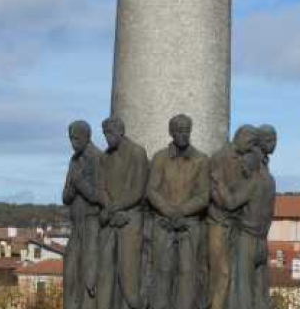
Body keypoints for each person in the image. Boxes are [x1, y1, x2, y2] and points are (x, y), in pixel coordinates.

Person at [146, 114, 210, 309]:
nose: (183, 135)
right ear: (171, 132)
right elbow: (151, 190)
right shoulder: (160, 158)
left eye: (186, 131)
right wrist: (168, 211)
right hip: (164, 223)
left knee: (187, 273)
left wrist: (182, 211)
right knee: (162, 271)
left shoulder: (201, 160)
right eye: (179, 131)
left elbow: (204, 195)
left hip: (189, 225)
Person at [98, 117, 150, 309]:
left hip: (131, 217)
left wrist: (115, 208)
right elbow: (100, 188)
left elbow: (138, 190)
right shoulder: (105, 157)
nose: (107, 137)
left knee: (128, 272)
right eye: (105, 134)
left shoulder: (137, 153)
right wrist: (110, 208)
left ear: (121, 131)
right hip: (110, 217)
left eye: (110, 133)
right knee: (104, 270)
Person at [207, 125, 258, 309]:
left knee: (230, 272)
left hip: (235, 223)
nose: (251, 147)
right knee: (221, 271)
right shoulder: (220, 157)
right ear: (241, 138)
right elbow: (212, 189)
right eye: (250, 143)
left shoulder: (246, 159)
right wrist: (225, 206)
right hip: (219, 221)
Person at [211, 148, 268, 309]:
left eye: (243, 166)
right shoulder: (269, 183)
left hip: (249, 239)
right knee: (259, 291)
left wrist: (220, 182)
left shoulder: (253, 183)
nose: (241, 170)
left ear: (250, 166)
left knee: (243, 290)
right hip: (262, 242)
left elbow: (231, 203)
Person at [63, 120, 103, 309]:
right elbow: (65, 196)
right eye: (71, 139)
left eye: (76, 139)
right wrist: (73, 188)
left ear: (87, 137)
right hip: (76, 225)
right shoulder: (74, 160)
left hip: (91, 224)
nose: (73, 143)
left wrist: (79, 183)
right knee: (70, 272)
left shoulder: (98, 159)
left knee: (89, 274)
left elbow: (98, 196)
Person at [253, 125, 278, 309]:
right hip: (253, 228)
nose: (274, 144)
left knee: (261, 275)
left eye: (275, 140)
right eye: (270, 140)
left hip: (261, 230)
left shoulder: (264, 162)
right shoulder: (253, 163)